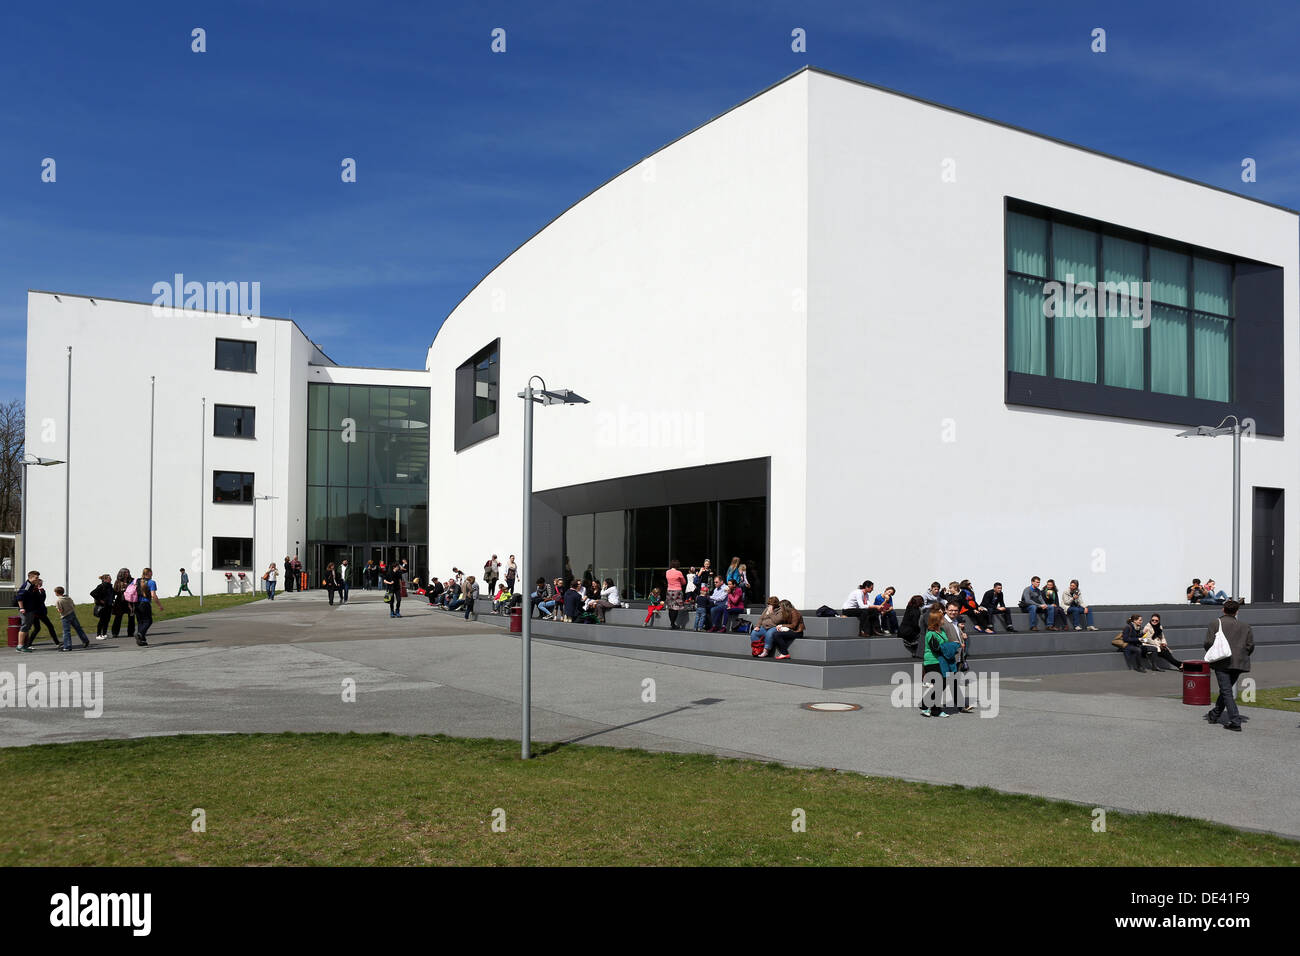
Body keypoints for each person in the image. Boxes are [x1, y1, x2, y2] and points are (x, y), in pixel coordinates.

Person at [1204, 600, 1253, 731]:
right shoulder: (1245, 626)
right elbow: (1250, 646)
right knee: (1226, 690)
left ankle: (1235, 720)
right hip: (1238, 662)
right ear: (1237, 611)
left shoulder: (1215, 623)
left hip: (1222, 661)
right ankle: (1214, 714)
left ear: (1223, 609)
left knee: (1226, 691)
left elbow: (1208, 643)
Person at [919, 607, 951, 718]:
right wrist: (950, 647)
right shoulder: (930, 634)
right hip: (932, 661)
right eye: (942, 619)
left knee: (941, 684)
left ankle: (927, 705)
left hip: (941, 661)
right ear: (937, 621)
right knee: (940, 684)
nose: (943, 620)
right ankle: (932, 708)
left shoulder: (941, 631)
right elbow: (936, 648)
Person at [54, 586, 90, 651]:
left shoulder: (58, 601)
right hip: (72, 614)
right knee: (78, 628)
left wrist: (58, 609)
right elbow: (73, 605)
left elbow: (60, 610)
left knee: (66, 631)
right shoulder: (68, 598)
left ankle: (67, 646)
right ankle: (85, 640)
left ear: (57, 593)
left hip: (65, 616)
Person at [134, 568, 163, 646]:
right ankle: (140, 634)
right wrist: (159, 605)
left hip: (136, 604)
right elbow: (153, 595)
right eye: (151, 572)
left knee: (141, 622)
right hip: (145, 604)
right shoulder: (151, 582)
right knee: (148, 621)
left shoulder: (138, 581)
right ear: (149, 573)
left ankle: (141, 640)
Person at [111, 568, 135, 639]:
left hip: (130, 601)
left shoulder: (132, 580)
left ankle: (131, 632)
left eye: (128, 572)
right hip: (120, 601)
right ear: (121, 574)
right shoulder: (118, 581)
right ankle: (115, 633)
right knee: (118, 617)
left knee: (131, 617)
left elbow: (135, 589)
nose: (127, 574)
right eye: (125, 573)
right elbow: (114, 591)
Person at [91, 573, 114, 640]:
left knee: (107, 620)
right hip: (102, 606)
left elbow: (111, 594)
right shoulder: (101, 586)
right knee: (102, 620)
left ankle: (104, 634)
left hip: (109, 605)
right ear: (105, 579)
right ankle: (98, 635)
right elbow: (92, 593)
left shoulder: (110, 586)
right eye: (109, 578)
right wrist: (100, 600)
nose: (111, 579)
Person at [664, 559, 686, 629]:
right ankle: (673, 624)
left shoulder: (667, 572)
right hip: (677, 591)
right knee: (676, 608)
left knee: (670, 608)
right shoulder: (679, 572)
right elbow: (684, 582)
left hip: (669, 591)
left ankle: (672, 623)